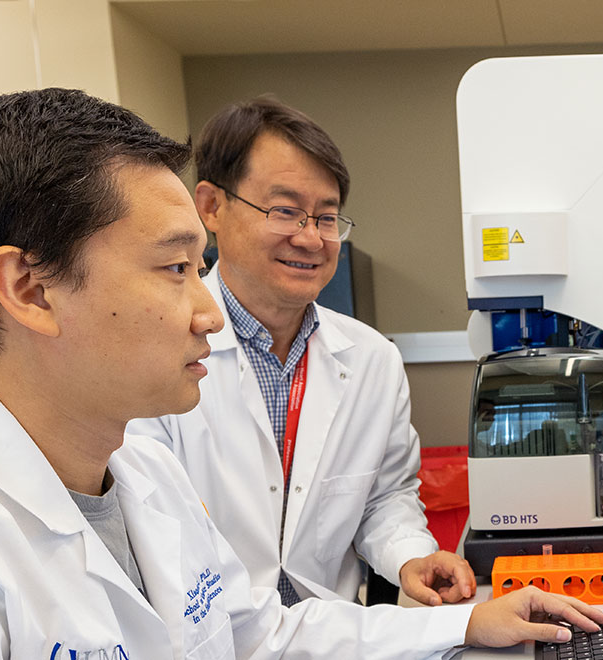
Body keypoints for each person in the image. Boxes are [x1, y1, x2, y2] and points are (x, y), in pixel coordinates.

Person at [0, 88, 603, 658]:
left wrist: (463, 622)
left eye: (327, 218)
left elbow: (256, 633)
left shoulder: (141, 475)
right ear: (30, 288)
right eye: (173, 270)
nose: (206, 312)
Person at [128, 97, 476, 607]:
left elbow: (384, 498)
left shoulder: (372, 360)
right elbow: (149, 520)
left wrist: (411, 556)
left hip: (333, 635)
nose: (312, 238)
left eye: (327, 217)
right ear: (211, 207)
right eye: (286, 211)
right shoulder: (154, 351)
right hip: (209, 634)